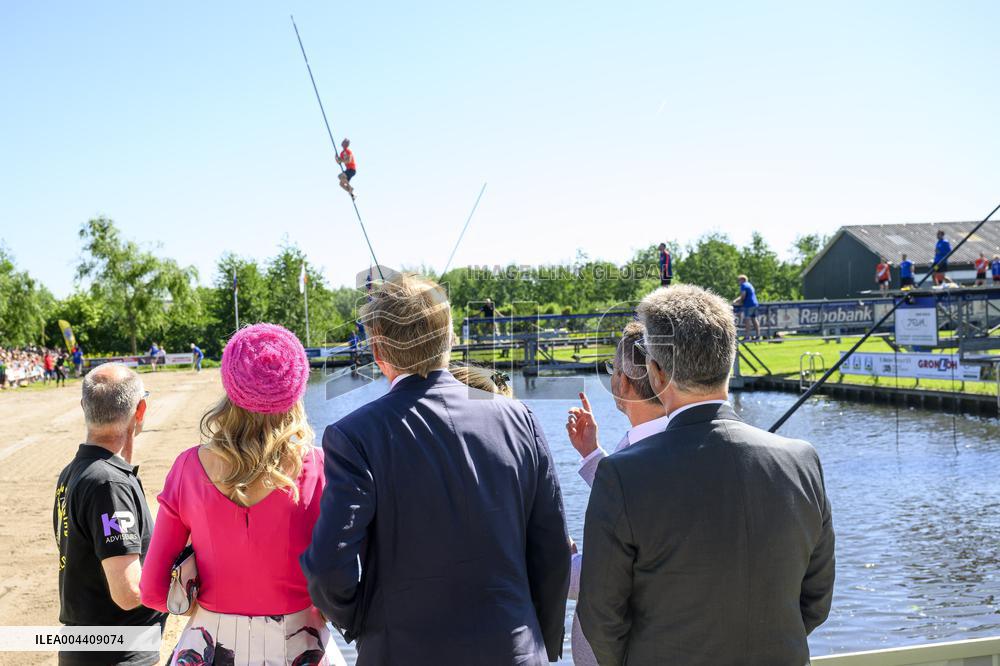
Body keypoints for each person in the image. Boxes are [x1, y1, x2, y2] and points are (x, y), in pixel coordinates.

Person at [302, 274, 570, 666]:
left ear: (378, 348)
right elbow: (552, 548)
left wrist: (364, 623)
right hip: (515, 652)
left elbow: (329, 566)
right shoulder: (519, 418)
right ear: (449, 340)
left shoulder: (355, 436)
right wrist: (538, 641)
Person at [578, 285, 835, 666]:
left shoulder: (623, 473)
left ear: (657, 371)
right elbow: (815, 601)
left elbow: (600, 616)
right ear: (728, 362)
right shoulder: (801, 461)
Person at [140, 324, 344, 665]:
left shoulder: (188, 468)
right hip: (300, 645)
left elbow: (152, 591)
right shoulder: (321, 467)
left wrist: (203, 600)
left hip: (208, 646)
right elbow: (343, 581)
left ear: (230, 387)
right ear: (295, 389)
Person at [564, 321, 666, 666]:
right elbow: (634, 505)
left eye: (612, 368)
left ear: (622, 381)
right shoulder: (661, 443)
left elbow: (603, 578)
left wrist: (554, 562)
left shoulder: (650, 453)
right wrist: (593, 455)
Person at [53, 363, 166, 666]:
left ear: (84, 407)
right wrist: (181, 579)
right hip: (117, 653)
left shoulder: (75, 471)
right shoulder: (109, 483)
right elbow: (128, 592)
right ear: (140, 410)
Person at [732, 274, 761, 340]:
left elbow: (743, 296)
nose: (738, 282)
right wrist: (736, 300)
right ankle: (758, 335)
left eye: (739, 280)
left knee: (747, 320)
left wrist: (738, 302)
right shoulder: (750, 285)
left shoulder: (743, 285)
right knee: (754, 319)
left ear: (742, 280)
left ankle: (747, 336)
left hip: (748, 305)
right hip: (755, 304)